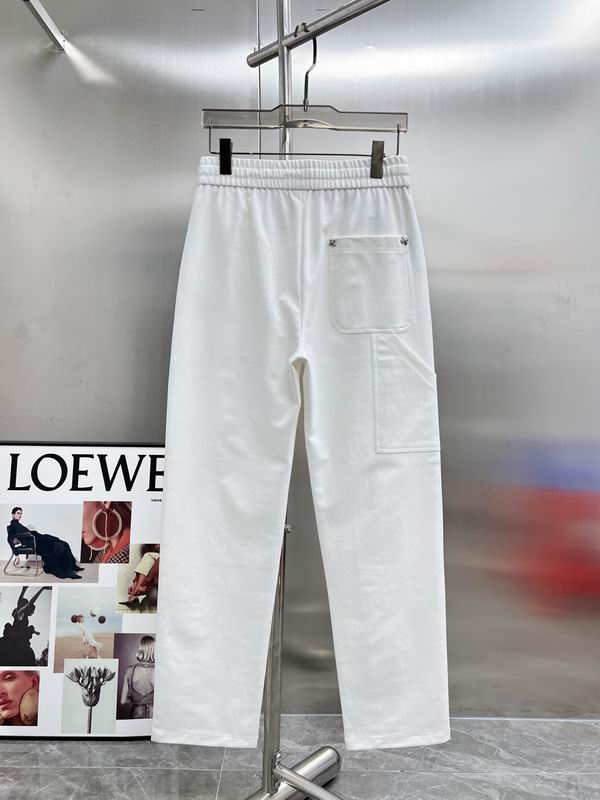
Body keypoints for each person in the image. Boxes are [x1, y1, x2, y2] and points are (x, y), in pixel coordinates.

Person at [7, 507, 83, 580]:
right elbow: (10, 539)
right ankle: (67, 571)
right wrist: (16, 555)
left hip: (38, 538)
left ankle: (72, 565)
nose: (20, 515)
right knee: (61, 545)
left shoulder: (18, 524)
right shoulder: (12, 526)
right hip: (35, 542)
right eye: (18, 513)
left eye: (21, 513)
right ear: (13, 514)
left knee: (64, 543)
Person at [120, 636, 155, 718]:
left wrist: (135, 699)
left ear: (141, 648)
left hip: (136, 712)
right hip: (154, 712)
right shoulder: (159, 671)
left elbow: (123, 701)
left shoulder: (129, 670)